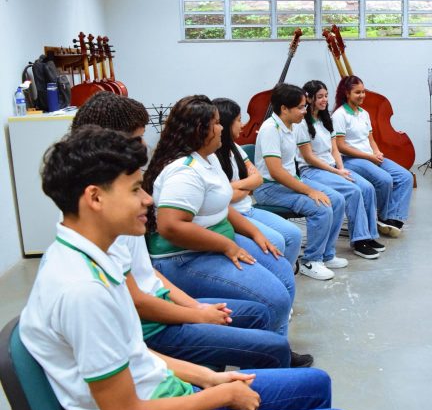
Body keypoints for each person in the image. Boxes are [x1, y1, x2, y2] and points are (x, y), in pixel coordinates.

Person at [20, 126, 363, 410]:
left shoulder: (90, 255)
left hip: (169, 395)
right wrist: (218, 396)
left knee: (315, 383)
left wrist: (208, 379)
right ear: (95, 198)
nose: (149, 200)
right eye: (135, 189)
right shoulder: (82, 291)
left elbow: (133, 354)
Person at [72, 91, 305, 368]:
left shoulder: (117, 211)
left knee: (276, 280)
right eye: (136, 139)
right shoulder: (105, 222)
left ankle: (265, 359)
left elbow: (146, 275)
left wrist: (249, 235)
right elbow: (139, 292)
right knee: (272, 302)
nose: (149, 201)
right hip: (174, 283)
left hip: (170, 286)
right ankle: (264, 364)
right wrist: (197, 312)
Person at [142, 96, 296, 341]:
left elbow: (221, 207)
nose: (222, 127)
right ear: (200, 130)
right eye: (216, 123)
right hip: (184, 256)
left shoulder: (209, 157)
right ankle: (270, 353)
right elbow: (170, 226)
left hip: (215, 242)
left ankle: (276, 346)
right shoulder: (184, 170)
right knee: (274, 297)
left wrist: (256, 234)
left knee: (282, 270)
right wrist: (227, 245)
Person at [253, 84, 346, 281]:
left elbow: (301, 159)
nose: (305, 111)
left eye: (305, 106)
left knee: (337, 200)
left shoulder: (294, 126)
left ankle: (326, 255)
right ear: (284, 108)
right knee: (321, 207)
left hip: (290, 181)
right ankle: (310, 261)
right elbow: (276, 172)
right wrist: (309, 191)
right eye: (301, 107)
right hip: (269, 188)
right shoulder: (271, 129)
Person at [212, 97, 303, 267]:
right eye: (239, 121)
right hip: (232, 216)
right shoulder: (212, 155)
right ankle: (276, 278)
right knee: (277, 241)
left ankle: (285, 275)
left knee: (294, 234)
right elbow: (224, 197)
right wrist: (246, 185)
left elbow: (258, 178)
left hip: (247, 208)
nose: (243, 125)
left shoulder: (235, 148)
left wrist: (235, 187)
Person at [298, 80, 384, 260]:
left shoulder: (325, 119)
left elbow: (335, 149)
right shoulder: (302, 123)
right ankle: (359, 241)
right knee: (353, 191)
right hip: (313, 170)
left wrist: (341, 168)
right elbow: (309, 157)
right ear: (309, 98)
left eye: (326, 96)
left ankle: (369, 235)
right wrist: (337, 173)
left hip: (332, 168)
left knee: (366, 187)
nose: (324, 100)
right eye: (320, 97)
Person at [332, 75, 413, 238]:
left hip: (369, 156)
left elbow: (370, 139)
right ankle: (383, 217)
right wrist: (369, 157)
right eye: (357, 92)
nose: (362, 95)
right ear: (347, 93)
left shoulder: (364, 113)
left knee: (405, 177)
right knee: (384, 179)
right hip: (350, 159)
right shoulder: (339, 115)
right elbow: (340, 146)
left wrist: (376, 152)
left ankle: (393, 218)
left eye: (363, 92)